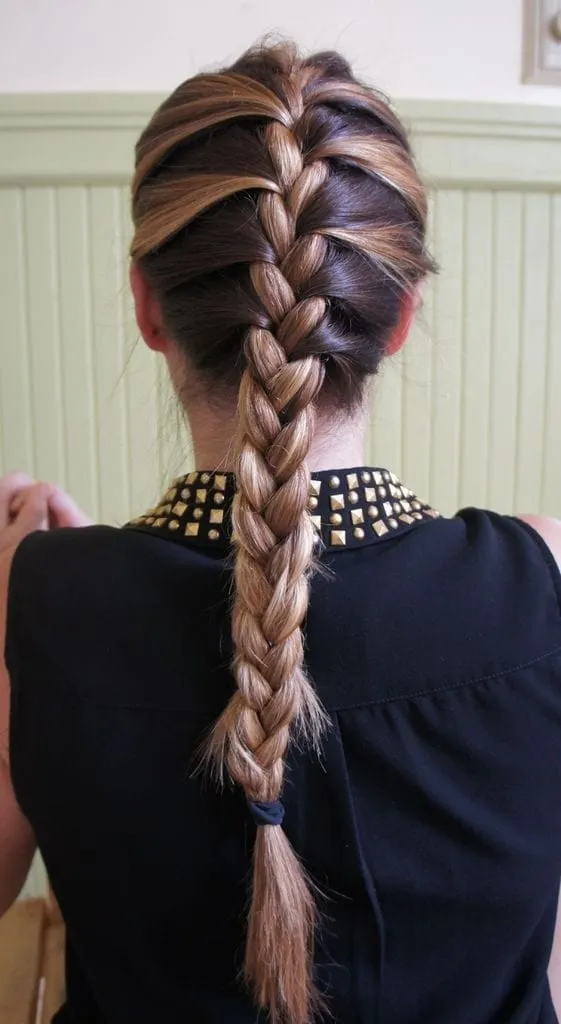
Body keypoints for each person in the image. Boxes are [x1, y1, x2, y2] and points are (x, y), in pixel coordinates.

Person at [1, 41, 561, 1024]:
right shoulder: (541, 583)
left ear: (148, 308)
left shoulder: (41, 603)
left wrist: (54, 605)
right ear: (397, 319)